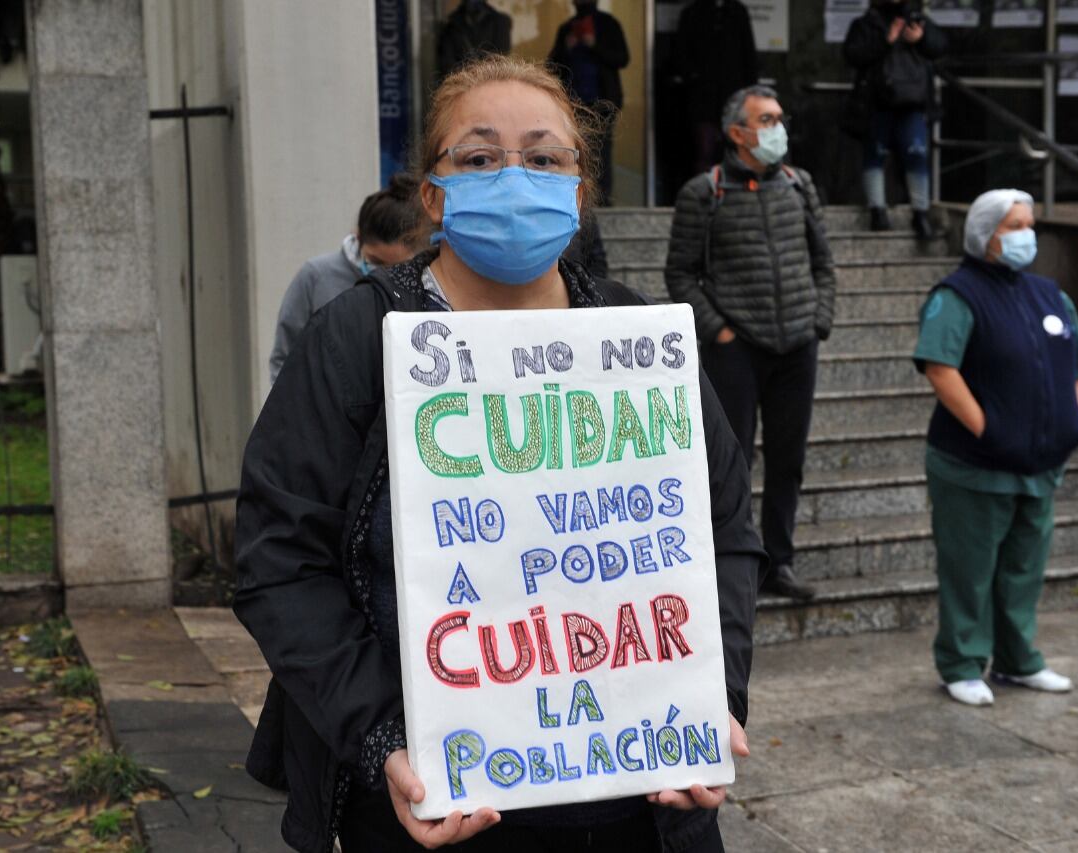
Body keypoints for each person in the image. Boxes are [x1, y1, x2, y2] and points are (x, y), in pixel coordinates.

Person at [234, 55, 764, 853]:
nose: (515, 178)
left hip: (643, 802)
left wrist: (709, 698)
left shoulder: (639, 340)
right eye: (480, 157)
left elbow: (724, 530)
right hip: (433, 809)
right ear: (433, 193)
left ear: (578, 190)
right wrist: (384, 739)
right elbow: (279, 560)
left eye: (544, 158)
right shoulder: (356, 341)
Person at [913, 189, 1078, 707]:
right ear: (983, 233)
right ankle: (962, 663)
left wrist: (1074, 420)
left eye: (1029, 224)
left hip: (1039, 465)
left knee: (1023, 569)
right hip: (974, 466)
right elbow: (940, 368)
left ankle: (1018, 659)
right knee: (969, 571)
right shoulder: (958, 295)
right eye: (1013, 226)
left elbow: (1077, 365)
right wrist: (988, 430)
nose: (1025, 235)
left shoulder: (1049, 294)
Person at [664, 85, 836, 602]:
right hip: (736, 348)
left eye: (780, 118)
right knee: (731, 461)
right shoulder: (704, 192)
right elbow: (681, 274)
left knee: (789, 459)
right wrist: (719, 331)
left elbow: (823, 261)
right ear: (737, 133)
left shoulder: (800, 185)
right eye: (767, 120)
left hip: (797, 345)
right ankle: (731, 564)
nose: (778, 128)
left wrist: (819, 319)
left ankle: (779, 563)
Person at [268, 174, 422, 383]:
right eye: (375, 261)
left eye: (395, 267)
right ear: (358, 237)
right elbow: (285, 357)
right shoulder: (316, 276)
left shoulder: (421, 283)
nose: (384, 274)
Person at [843, 0, 947, 238]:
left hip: (912, 103)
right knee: (874, 154)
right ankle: (877, 211)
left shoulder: (917, 19)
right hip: (876, 103)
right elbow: (852, 55)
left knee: (916, 154)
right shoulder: (865, 24)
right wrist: (885, 41)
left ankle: (920, 213)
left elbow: (940, 47)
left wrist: (920, 38)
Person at [548, 0, 629, 203]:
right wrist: (566, 48)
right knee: (577, 151)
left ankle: (602, 199)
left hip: (603, 101)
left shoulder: (608, 24)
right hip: (573, 103)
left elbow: (622, 58)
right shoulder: (567, 28)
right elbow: (551, 67)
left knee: (602, 151)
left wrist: (594, 45)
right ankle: (579, 199)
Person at [673, 0, 760, 174]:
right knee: (704, 150)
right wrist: (693, 76)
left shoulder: (736, 12)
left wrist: (750, 91)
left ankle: (731, 187)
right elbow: (681, 53)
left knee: (735, 150)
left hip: (732, 94)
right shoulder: (693, 13)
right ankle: (706, 187)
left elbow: (748, 52)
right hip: (704, 96)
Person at [437, 0, 512, 79]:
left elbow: (501, 55)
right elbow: (447, 63)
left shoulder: (500, 22)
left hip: (491, 77)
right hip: (462, 79)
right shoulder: (451, 26)